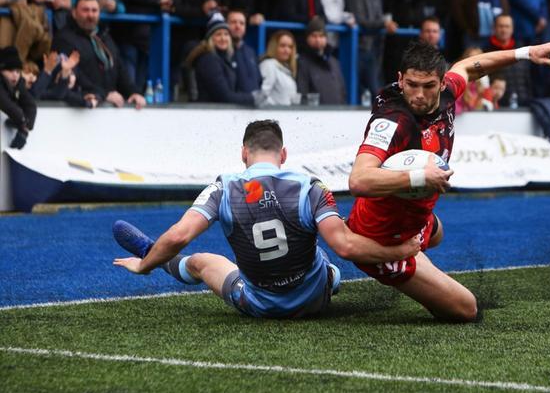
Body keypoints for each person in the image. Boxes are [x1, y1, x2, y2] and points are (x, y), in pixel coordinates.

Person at [346, 39, 550, 322]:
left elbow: (468, 66)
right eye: (411, 85)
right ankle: (390, 265)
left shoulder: (448, 93)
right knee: (466, 309)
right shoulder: (392, 122)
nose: (418, 94)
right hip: (380, 236)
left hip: (415, 217)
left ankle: (421, 267)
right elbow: (358, 180)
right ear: (400, 79)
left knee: (438, 233)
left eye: (428, 86)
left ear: (442, 83)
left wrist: (526, 54)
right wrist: (420, 177)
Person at [113, 119, 421, 319]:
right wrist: (399, 252)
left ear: (243, 153)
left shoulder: (223, 187)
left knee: (201, 261)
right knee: (323, 247)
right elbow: (347, 247)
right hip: (315, 299)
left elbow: (179, 236)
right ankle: (332, 277)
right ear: (283, 154)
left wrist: (144, 267)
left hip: (258, 304)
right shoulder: (309, 186)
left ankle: (149, 253)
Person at [51, 0, 145, 109]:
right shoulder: (64, 39)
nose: (90, 15)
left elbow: (119, 68)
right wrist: (103, 94)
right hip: (80, 109)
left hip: (107, 107)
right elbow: (75, 75)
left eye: (94, 10)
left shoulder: (104, 37)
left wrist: (133, 92)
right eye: (85, 10)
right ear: (74, 13)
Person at [185, 12, 258, 105]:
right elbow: (224, 96)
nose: (223, 38)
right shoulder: (208, 60)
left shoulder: (224, 58)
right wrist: (253, 98)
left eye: (226, 34)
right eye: (218, 34)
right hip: (208, 114)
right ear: (211, 38)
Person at [296, 16, 346, 104]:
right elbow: (302, 95)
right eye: (314, 36)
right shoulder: (302, 62)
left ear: (326, 38)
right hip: (315, 116)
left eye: (321, 36)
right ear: (307, 38)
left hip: (337, 115)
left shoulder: (334, 62)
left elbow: (342, 92)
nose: (318, 40)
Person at [0, 46, 36, 149]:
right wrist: (22, 121)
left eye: (17, 71)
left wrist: (25, 128)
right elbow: (5, 103)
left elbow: (30, 104)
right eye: (11, 71)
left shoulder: (19, 84)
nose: (15, 75)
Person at [259, 30, 298, 105]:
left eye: (290, 47)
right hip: (273, 114)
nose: (286, 50)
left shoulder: (287, 69)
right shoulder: (269, 65)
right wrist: (275, 110)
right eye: (282, 46)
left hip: (286, 114)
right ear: (274, 47)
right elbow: (262, 94)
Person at [227, 9, 262, 94]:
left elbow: (259, 81)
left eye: (242, 23)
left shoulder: (250, 52)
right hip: (231, 106)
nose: (238, 26)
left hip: (254, 105)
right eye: (233, 22)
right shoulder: (222, 52)